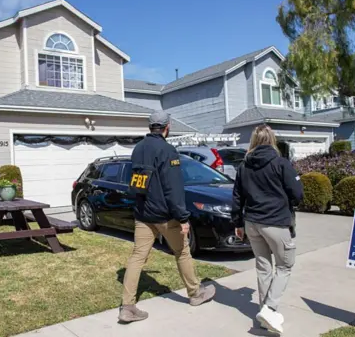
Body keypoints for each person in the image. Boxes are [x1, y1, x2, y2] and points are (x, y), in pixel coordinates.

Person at [118, 111, 216, 323]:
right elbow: (173, 188)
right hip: (164, 215)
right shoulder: (167, 150)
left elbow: (136, 182)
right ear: (167, 126)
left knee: (137, 257)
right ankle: (195, 294)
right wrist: (182, 217)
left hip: (143, 214)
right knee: (182, 252)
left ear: (150, 126)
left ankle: (127, 306)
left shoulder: (138, 149)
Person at [231, 125, 303, 334]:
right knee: (285, 265)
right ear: (272, 140)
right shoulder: (281, 163)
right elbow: (298, 194)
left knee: (264, 267)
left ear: (253, 141)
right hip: (276, 223)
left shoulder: (244, 166)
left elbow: (237, 197)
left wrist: (237, 224)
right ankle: (270, 309)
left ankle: (265, 314)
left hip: (252, 223)